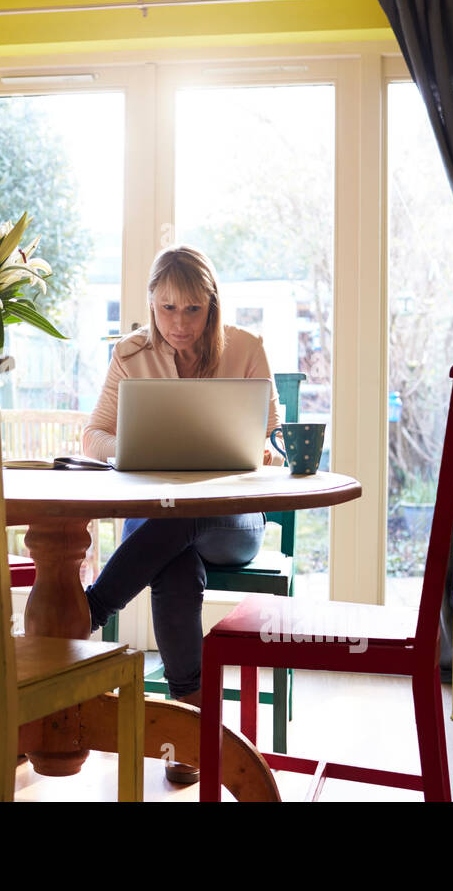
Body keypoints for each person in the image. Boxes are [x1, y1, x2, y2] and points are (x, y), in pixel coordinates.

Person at [82, 245, 282, 782]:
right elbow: (92, 435)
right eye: (167, 309)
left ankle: (91, 610)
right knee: (171, 549)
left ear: (211, 305)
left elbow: (272, 435)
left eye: (192, 309)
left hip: (231, 523)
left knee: (180, 521)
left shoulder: (245, 348)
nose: (179, 323)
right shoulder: (129, 353)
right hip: (156, 524)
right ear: (151, 302)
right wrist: (127, 450)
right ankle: (190, 720)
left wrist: (262, 451)